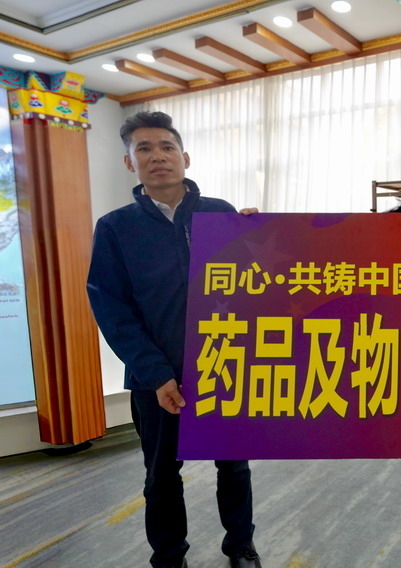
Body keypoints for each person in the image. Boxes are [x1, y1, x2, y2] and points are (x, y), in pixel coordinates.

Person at [87, 111, 262, 568]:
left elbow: (258, 285)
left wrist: (261, 234)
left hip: (224, 366)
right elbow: (112, 308)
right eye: (143, 149)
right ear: (130, 163)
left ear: (185, 157)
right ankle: (168, 557)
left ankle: (241, 546)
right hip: (157, 376)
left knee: (234, 465)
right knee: (161, 474)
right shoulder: (115, 227)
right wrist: (156, 373)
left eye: (166, 147)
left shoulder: (220, 214)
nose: (157, 156)